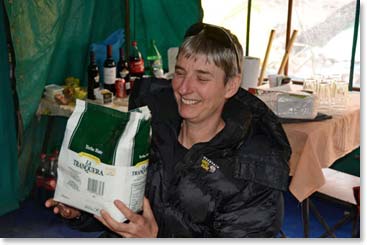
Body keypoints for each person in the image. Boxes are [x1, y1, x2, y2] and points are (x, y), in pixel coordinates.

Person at [45, 22, 291, 238]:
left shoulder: (252, 172)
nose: (184, 88)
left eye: (202, 78)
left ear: (231, 86)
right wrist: (81, 209)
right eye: (180, 73)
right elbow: (118, 210)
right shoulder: (147, 131)